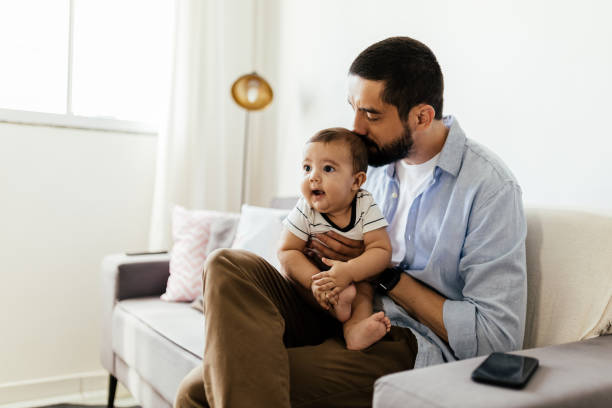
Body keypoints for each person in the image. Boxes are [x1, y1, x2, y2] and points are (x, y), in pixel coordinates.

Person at [175, 36, 527, 408]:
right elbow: (301, 240)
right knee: (227, 263)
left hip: (399, 338)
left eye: (372, 115)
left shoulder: (488, 188)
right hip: (333, 306)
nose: (355, 128)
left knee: (197, 393)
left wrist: (382, 273)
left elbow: (496, 339)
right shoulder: (366, 166)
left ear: (422, 116)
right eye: (354, 109)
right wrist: (319, 262)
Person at [278, 127, 393, 351]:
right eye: (307, 168)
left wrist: (349, 271)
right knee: (292, 273)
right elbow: (287, 250)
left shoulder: (364, 205)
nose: (313, 177)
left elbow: (381, 250)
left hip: (351, 280)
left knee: (363, 290)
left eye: (328, 168)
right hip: (310, 279)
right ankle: (332, 301)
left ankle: (354, 331)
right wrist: (316, 282)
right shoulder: (306, 208)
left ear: (356, 181)